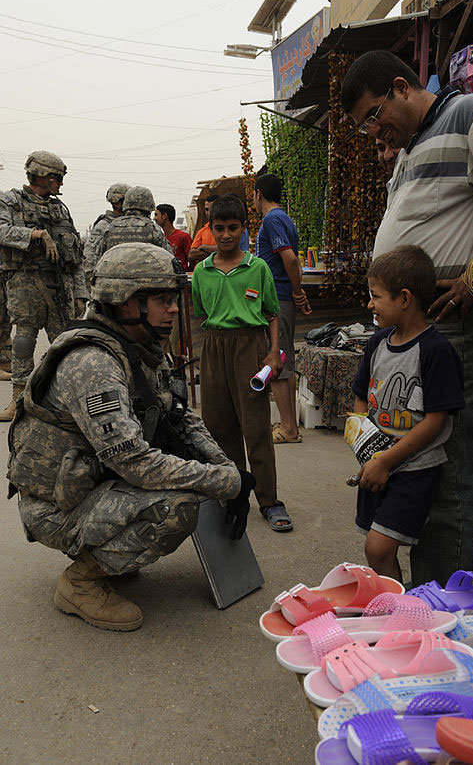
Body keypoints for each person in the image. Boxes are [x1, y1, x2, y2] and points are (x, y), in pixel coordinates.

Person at [7, 242, 251, 631]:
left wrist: (228, 467)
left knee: (203, 480)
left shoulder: (140, 345)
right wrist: (227, 482)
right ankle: (81, 582)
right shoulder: (93, 363)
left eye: (172, 298)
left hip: (95, 481)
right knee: (178, 505)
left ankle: (108, 553)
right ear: (123, 302)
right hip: (55, 506)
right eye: (160, 298)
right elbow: (135, 462)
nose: (173, 308)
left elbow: (180, 418)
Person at [341, 50, 473, 585]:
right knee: (415, 462)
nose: (373, 132)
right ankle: (424, 596)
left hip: (452, 324)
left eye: (372, 115)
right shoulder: (409, 150)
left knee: (451, 467)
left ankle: (447, 604)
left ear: (399, 87)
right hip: (415, 329)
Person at [351, 246, 464, 582]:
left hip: (413, 469)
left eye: (376, 296)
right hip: (376, 463)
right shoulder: (377, 343)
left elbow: (436, 420)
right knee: (378, 549)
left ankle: (400, 612)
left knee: (378, 548)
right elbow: (360, 396)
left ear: (404, 298)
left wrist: (386, 460)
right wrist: (366, 448)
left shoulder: (436, 351)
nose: (370, 305)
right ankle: (398, 608)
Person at [191, 195, 293, 531]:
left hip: (251, 348)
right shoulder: (202, 273)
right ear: (210, 229)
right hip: (214, 348)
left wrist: (273, 353)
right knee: (220, 428)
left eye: (232, 228)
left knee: (256, 428)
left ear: (243, 229)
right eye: (219, 228)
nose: (225, 235)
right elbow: (203, 314)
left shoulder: (258, 267)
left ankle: (270, 502)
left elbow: (271, 313)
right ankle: (234, 495)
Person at [0, 150, 87, 421]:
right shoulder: (11, 201)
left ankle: (62, 399)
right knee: (24, 340)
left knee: (64, 346)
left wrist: (81, 292)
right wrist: (35, 234)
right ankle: (19, 399)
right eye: (57, 177)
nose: (60, 183)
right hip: (25, 281)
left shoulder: (60, 208)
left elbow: (76, 256)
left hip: (60, 286)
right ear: (42, 175)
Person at [253, 173, 311, 445]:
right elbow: (294, 262)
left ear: (258, 194)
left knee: (275, 360)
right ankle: (289, 423)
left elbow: (288, 259)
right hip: (283, 296)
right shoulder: (284, 218)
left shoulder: (273, 219)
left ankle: (289, 429)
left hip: (276, 298)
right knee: (284, 357)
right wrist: (297, 292)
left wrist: (297, 292)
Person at [95, 185, 171, 259]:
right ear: (149, 207)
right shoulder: (153, 229)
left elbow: (98, 260)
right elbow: (170, 260)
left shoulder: (110, 228)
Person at [83, 183, 131, 286]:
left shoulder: (130, 223)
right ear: (119, 202)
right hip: (108, 279)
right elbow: (89, 252)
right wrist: (90, 279)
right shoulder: (104, 224)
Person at [154, 203, 192, 269]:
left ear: (164, 216)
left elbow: (191, 259)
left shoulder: (183, 236)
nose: (154, 218)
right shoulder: (160, 238)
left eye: (156, 215)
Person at [188, 194, 219, 270]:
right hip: (201, 273)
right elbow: (191, 255)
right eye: (206, 209)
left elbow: (226, 250)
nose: (208, 213)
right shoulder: (202, 231)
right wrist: (215, 251)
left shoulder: (226, 230)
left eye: (211, 209)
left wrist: (204, 247)